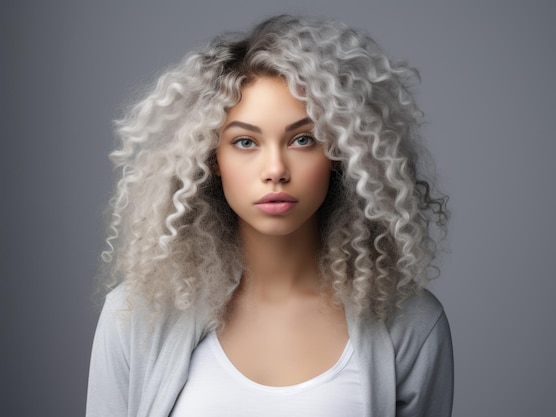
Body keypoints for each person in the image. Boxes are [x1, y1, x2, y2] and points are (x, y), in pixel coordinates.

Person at [86, 14, 453, 417]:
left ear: (339, 154)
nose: (275, 169)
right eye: (245, 142)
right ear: (212, 159)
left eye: (302, 139)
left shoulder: (411, 323)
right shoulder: (135, 315)